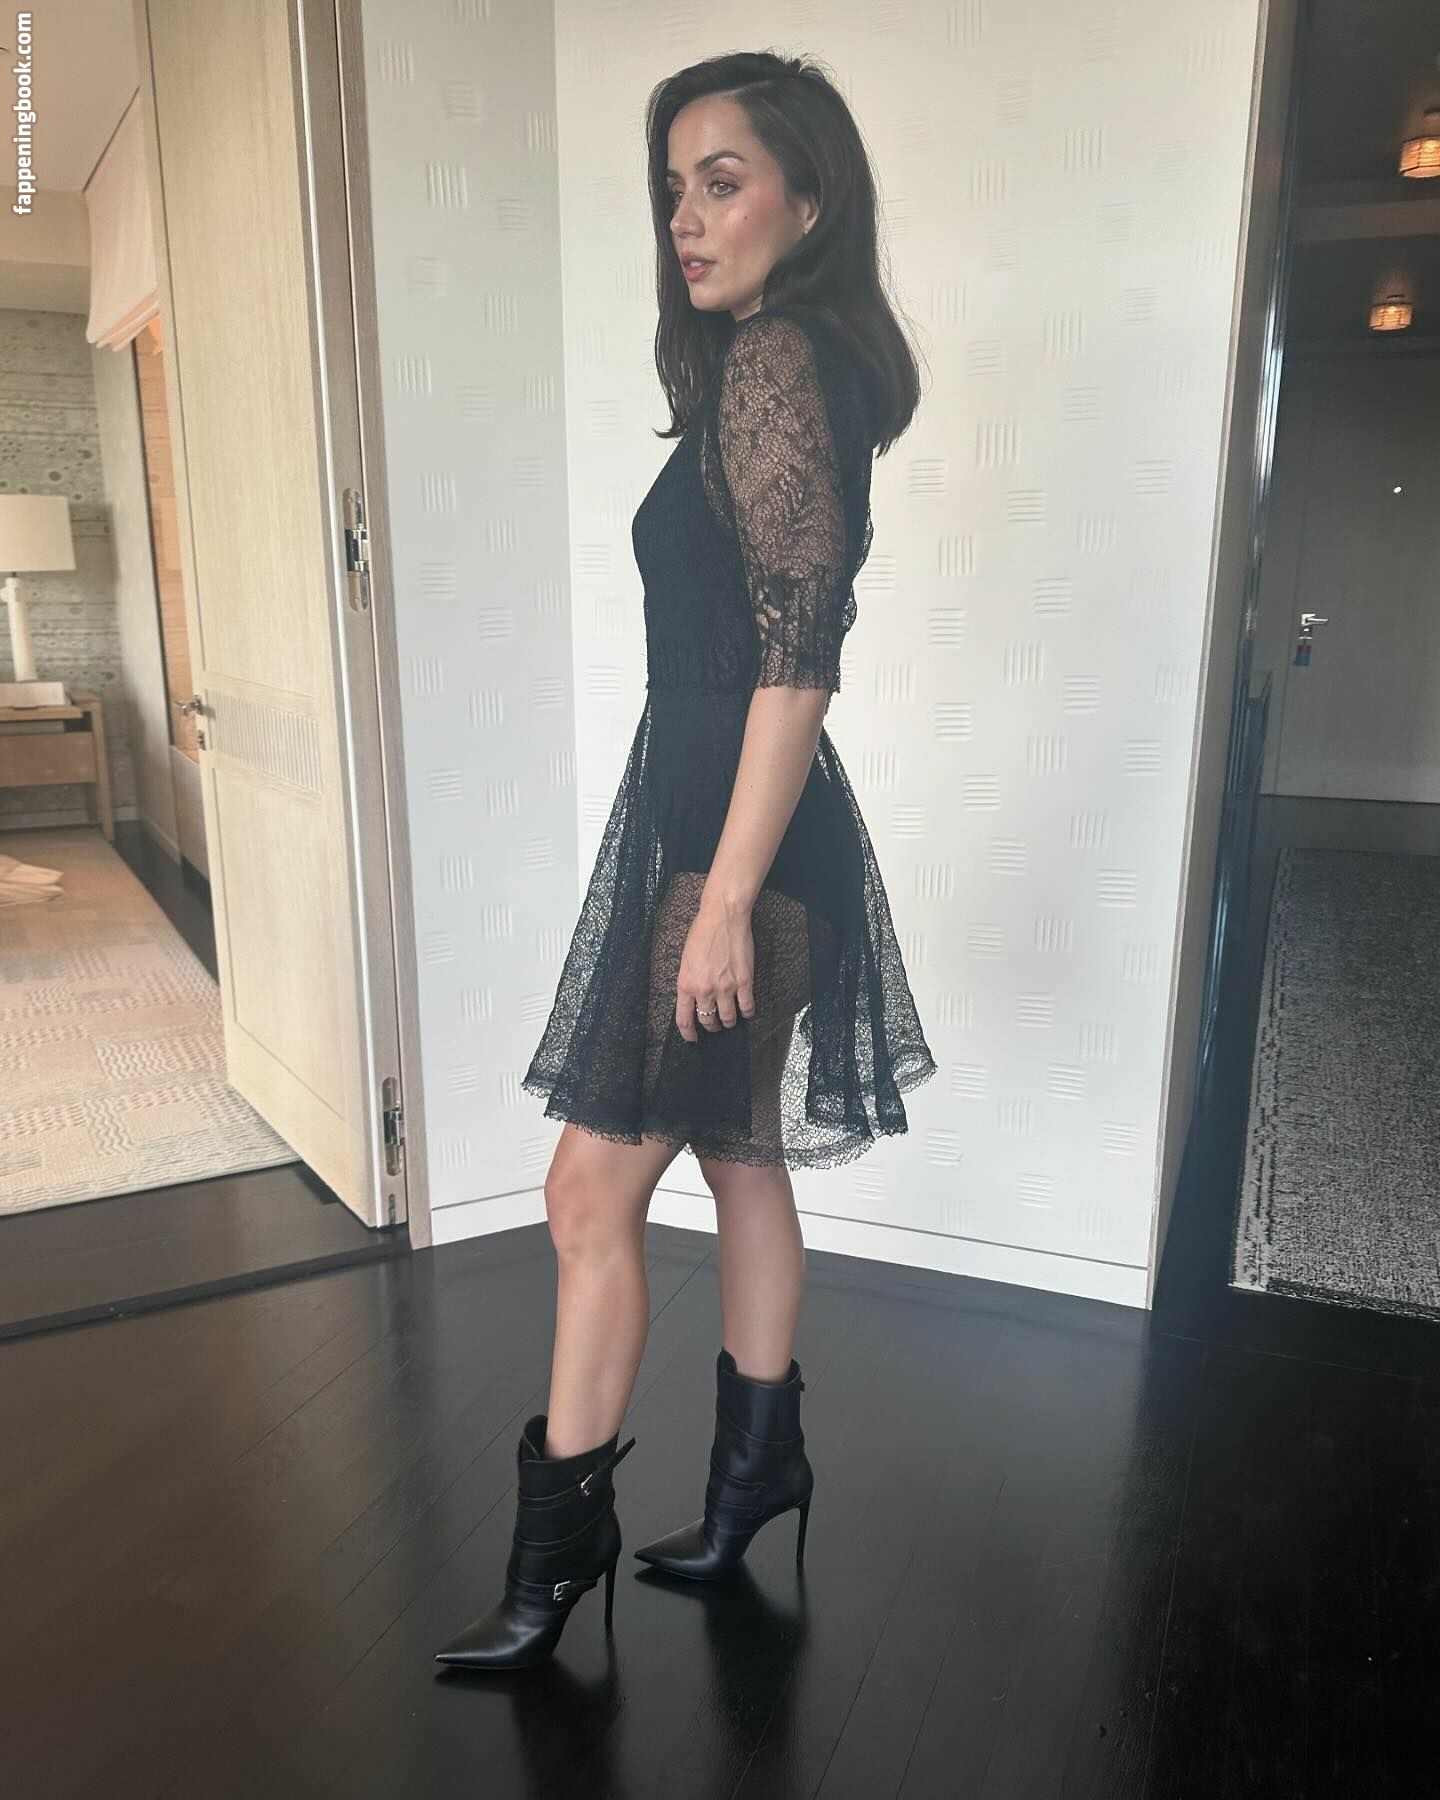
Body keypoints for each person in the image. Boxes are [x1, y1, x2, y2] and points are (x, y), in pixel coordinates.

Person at [435, 49, 937, 1672]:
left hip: (741, 855)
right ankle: (754, 1479)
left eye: (723, 182)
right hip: (739, 834)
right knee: (737, 1159)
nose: (687, 220)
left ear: (812, 197)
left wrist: (721, 898)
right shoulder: (775, 367)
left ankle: (552, 1566)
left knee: (588, 1191)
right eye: (673, 190)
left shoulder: (784, 358)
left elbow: (800, 656)